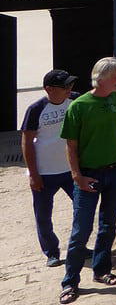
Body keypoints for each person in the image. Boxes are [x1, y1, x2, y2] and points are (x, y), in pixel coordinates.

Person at [58, 57, 116, 304]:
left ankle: (102, 270)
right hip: (89, 174)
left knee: (108, 225)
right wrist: (77, 176)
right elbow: (70, 147)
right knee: (81, 230)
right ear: (102, 78)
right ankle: (70, 282)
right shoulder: (79, 106)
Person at [20, 70, 80, 266]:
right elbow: (27, 142)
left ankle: (79, 246)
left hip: (71, 170)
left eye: (70, 85)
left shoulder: (75, 101)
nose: (69, 90)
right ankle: (51, 252)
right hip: (45, 173)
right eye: (65, 87)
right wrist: (33, 174)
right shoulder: (36, 109)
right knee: (43, 216)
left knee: (82, 209)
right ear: (49, 89)